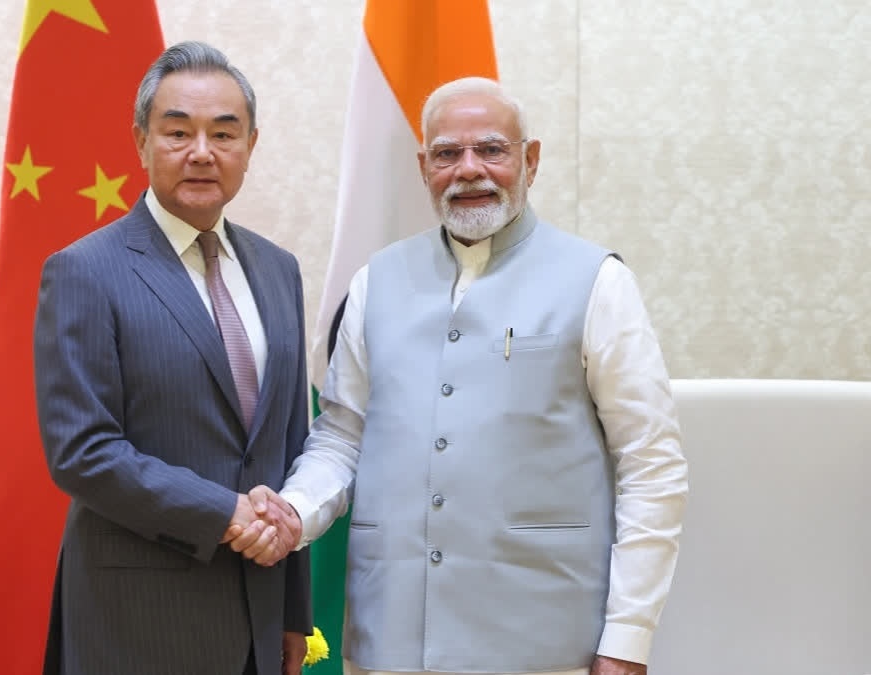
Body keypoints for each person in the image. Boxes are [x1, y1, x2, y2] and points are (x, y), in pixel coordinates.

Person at [235, 76, 689, 675]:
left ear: (530, 159)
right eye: (448, 153)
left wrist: (627, 639)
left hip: (546, 646)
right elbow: (343, 436)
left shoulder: (598, 280)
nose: (469, 169)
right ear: (424, 167)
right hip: (388, 641)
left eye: (492, 150)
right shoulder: (376, 281)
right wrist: (296, 510)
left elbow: (651, 462)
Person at [33, 41, 311, 675]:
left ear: (251, 145)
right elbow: (83, 451)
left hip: (260, 617)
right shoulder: (85, 271)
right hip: (139, 619)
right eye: (178, 131)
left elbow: (287, 444)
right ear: (141, 141)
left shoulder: (278, 270)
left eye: (223, 133)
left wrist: (295, 609)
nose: (202, 152)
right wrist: (224, 513)